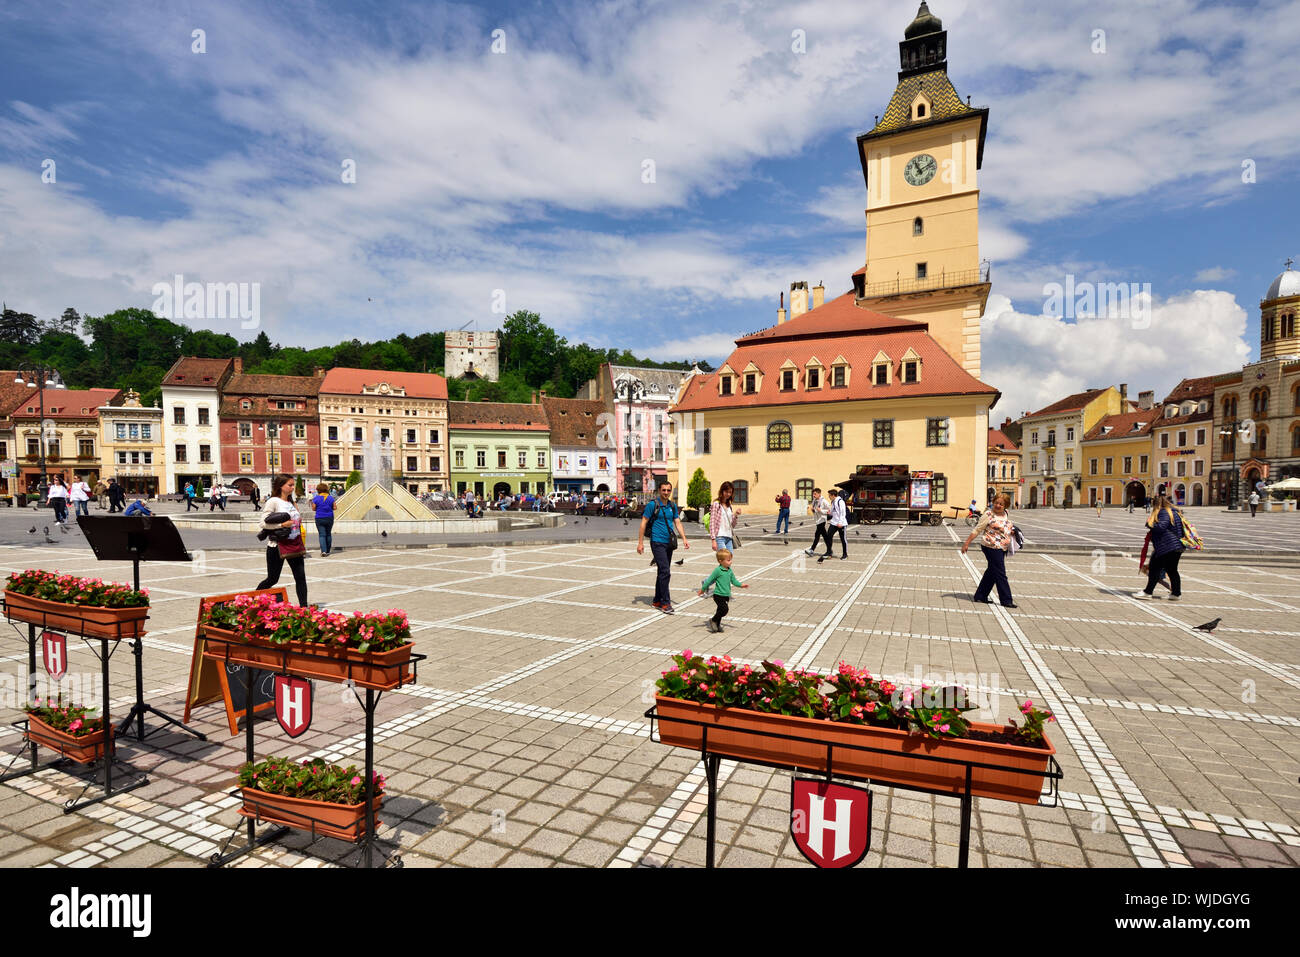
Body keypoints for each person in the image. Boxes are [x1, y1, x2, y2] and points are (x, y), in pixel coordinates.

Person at [637, 480, 690, 614]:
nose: (666, 492)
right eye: (664, 490)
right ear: (659, 491)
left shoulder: (672, 505)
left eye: (668, 490)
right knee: (666, 571)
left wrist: (684, 538)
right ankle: (665, 603)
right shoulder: (652, 505)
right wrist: (640, 542)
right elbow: (643, 523)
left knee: (662, 571)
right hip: (657, 541)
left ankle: (656, 600)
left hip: (668, 542)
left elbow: (677, 522)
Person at [256, 473, 309, 607]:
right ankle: (254, 600)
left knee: (301, 577)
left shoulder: (292, 502)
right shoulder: (273, 501)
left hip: (295, 543)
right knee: (273, 578)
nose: (292, 488)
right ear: (281, 486)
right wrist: (281, 525)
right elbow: (263, 523)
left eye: (293, 485)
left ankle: (304, 607)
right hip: (277, 545)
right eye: (290, 485)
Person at [961, 492, 1018, 608]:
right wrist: (966, 543)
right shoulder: (988, 514)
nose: (998, 505)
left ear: (1005, 506)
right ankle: (1006, 600)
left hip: (1002, 547)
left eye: (1001, 504)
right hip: (990, 546)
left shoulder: (1006, 513)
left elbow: (1005, 527)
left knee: (992, 571)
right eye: (996, 503)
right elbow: (977, 530)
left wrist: (1011, 531)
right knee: (1000, 572)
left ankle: (980, 596)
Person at [1133, 493, 1184, 601]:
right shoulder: (1175, 512)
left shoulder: (1164, 512)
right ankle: (1176, 593)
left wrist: (1150, 524)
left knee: (1155, 568)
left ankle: (1148, 592)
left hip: (1166, 546)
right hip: (1177, 546)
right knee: (1172, 570)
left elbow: (1161, 527)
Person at [699, 547, 748, 633]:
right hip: (718, 595)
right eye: (728, 560)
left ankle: (717, 625)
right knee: (724, 610)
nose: (730, 562)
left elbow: (734, 581)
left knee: (720, 610)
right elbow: (709, 580)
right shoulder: (718, 570)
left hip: (726, 595)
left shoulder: (729, 571)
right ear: (720, 561)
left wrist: (741, 585)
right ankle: (713, 620)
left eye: (730, 560)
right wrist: (702, 590)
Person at [709, 481, 740, 552]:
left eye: (730, 492)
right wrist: (713, 540)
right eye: (726, 491)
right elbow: (712, 523)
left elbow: (732, 525)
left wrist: (735, 515)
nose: (728, 494)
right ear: (722, 491)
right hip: (720, 537)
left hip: (729, 537)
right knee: (724, 559)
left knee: (729, 559)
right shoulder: (716, 504)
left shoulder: (729, 507)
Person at [819, 488, 848, 562]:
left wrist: (840, 523)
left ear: (833, 495)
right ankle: (829, 552)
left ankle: (845, 554)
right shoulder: (833, 501)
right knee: (829, 536)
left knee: (843, 539)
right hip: (833, 522)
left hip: (841, 524)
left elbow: (843, 513)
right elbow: (832, 512)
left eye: (829, 495)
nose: (829, 497)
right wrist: (827, 512)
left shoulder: (840, 502)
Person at [311, 482, 336, 556]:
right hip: (329, 517)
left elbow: (313, 508)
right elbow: (335, 507)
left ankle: (323, 551)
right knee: (328, 534)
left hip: (319, 518)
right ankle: (328, 550)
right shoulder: (330, 497)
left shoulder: (316, 498)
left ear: (318, 490)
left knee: (322, 535)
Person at [804, 488, 830, 556]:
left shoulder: (824, 501)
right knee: (825, 536)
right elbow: (814, 509)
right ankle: (829, 550)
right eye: (813, 494)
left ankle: (812, 550)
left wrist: (821, 510)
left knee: (817, 535)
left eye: (815, 494)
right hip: (817, 520)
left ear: (819, 494)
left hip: (822, 519)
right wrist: (812, 509)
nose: (814, 495)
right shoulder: (815, 500)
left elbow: (829, 510)